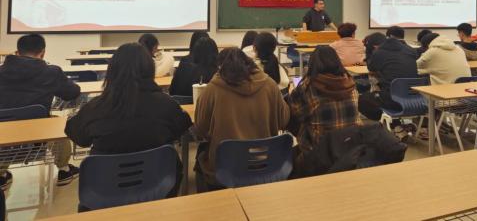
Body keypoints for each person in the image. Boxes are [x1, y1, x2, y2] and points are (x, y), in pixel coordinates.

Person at [66, 43, 192, 197]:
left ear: (112, 71)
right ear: (149, 70)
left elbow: (79, 136)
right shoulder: (166, 104)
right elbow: (183, 126)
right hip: (160, 186)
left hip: (105, 192)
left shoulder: (95, 107)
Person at [194, 48, 289, 189]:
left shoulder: (212, 90)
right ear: (250, 63)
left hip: (226, 166)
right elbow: (284, 120)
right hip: (266, 162)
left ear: (220, 67)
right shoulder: (270, 85)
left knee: (201, 158)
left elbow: (200, 128)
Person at [0, 34, 81, 189]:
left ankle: (1, 174)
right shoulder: (51, 72)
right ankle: (64, 169)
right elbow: (72, 93)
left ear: (17, 52)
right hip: (38, 136)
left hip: (3, 134)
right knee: (58, 123)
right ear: (43, 52)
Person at [287, 46, 362, 169]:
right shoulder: (349, 82)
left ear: (312, 64)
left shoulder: (308, 87)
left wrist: (292, 94)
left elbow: (296, 114)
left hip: (321, 152)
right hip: (352, 147)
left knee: (296, 118)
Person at [358, 32, 418, 121]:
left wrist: (369, 53)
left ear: (374, 46)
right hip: (416, 98)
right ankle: (395, 123)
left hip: (394, 99)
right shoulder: (410, 50)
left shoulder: (379, 53)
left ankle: (386, 122)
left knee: (362, 99)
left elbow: (371, 68)